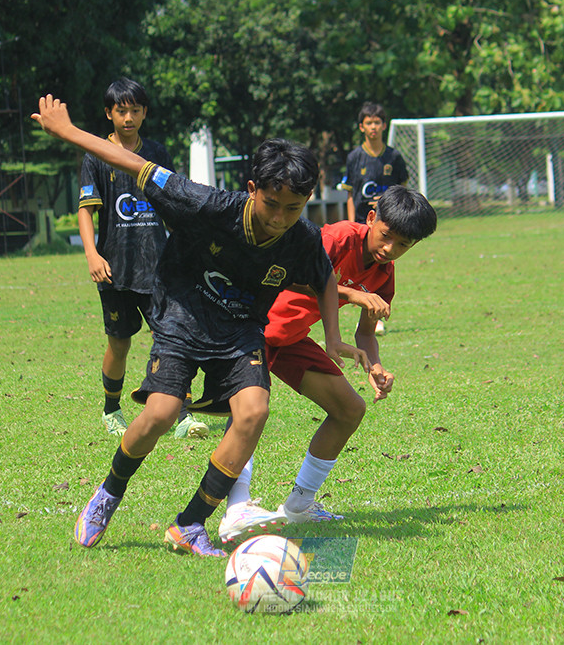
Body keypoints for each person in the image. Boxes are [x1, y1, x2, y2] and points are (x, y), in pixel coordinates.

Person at [31, 94, 369, 557]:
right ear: (252, 188)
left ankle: (190, 525)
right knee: (160, 414)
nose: (279, 218)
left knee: (253, 412)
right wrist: (68, 132)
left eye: (293, 208)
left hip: (241, 332)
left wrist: (333, 337)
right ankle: (109, 491)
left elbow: (324, 277)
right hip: (182, 319)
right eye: (271, 204)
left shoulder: (302, 238)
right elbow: (135, 164)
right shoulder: (205, 204)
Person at [217, 185, 438, 543]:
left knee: (349, 409)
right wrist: (352, 293)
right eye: (386, 236)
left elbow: (365, 333)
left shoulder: (384, 273)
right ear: (371, 218)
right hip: (252, 328)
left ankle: (300, 504)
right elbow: (288, 273)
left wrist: (375, 367)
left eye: (402, 245)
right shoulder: (337, 238)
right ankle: (236, 508)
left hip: (288, 338)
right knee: (250, 413)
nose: (389, 249)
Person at [77, 78, 207, 439]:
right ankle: (111, 410)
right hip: (115, 269)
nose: (129, 117)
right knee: (119, 344)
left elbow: (173, 203)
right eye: (122, 111)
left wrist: (188, 247)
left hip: (160, 269)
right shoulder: (96, 155)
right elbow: (86, 210)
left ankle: (183, 415)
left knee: (173, 340)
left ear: (145, 112)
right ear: (109, 113)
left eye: (135, 110)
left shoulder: (157, 154)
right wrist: (92, 254)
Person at [341, 102, 409, 335]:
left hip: (388, 226)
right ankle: (363, 310)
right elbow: (350, 194)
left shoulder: (394, 157)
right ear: (362, 127)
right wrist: (352, 223)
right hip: (363, 223)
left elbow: (403, 191)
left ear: (384, 125)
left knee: (382, 269)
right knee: (358, 270)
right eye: (369, 123)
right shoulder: (354, 157)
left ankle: (374, 317)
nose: (373, 127)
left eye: (377, 122)